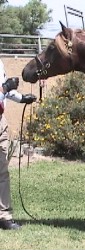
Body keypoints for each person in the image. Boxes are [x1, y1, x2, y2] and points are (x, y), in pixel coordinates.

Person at [0, 59, 36, 230]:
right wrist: (6, 88)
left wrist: (21, 98)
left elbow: (2, 91)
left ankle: (4, 216)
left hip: (0, 121)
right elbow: (3, 89)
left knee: (2, 172)